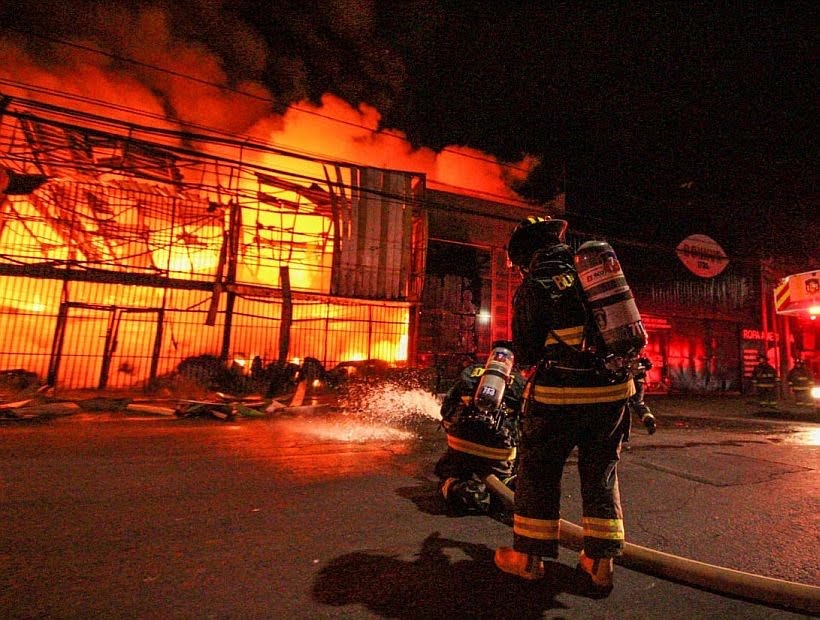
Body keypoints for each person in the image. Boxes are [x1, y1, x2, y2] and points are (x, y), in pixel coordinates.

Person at [494, 216, 637, 593]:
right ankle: (599, 563)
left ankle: (528, 558)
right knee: (601, 474)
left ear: (527, 255)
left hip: (557, 400)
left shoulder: (535, 286)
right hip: (611, 398)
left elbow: (524, 355)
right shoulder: (593, 278)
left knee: (539, 473)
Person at [434, 350, 525, 520]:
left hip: (459, 447)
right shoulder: (519, 381)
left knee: (447, 471)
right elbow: (526, 422)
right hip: (497, 454)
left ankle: (452, 484)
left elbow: (446, 409)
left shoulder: (470, 372)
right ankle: (503, 485)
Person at [626, 356, 656, 437]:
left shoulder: (625, 355)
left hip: (628, 382)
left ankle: (622, 430)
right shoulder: (639, 358)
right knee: (639, 404)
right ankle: (649, 420)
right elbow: (648, 365)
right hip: (639, 384)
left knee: (623, 405)